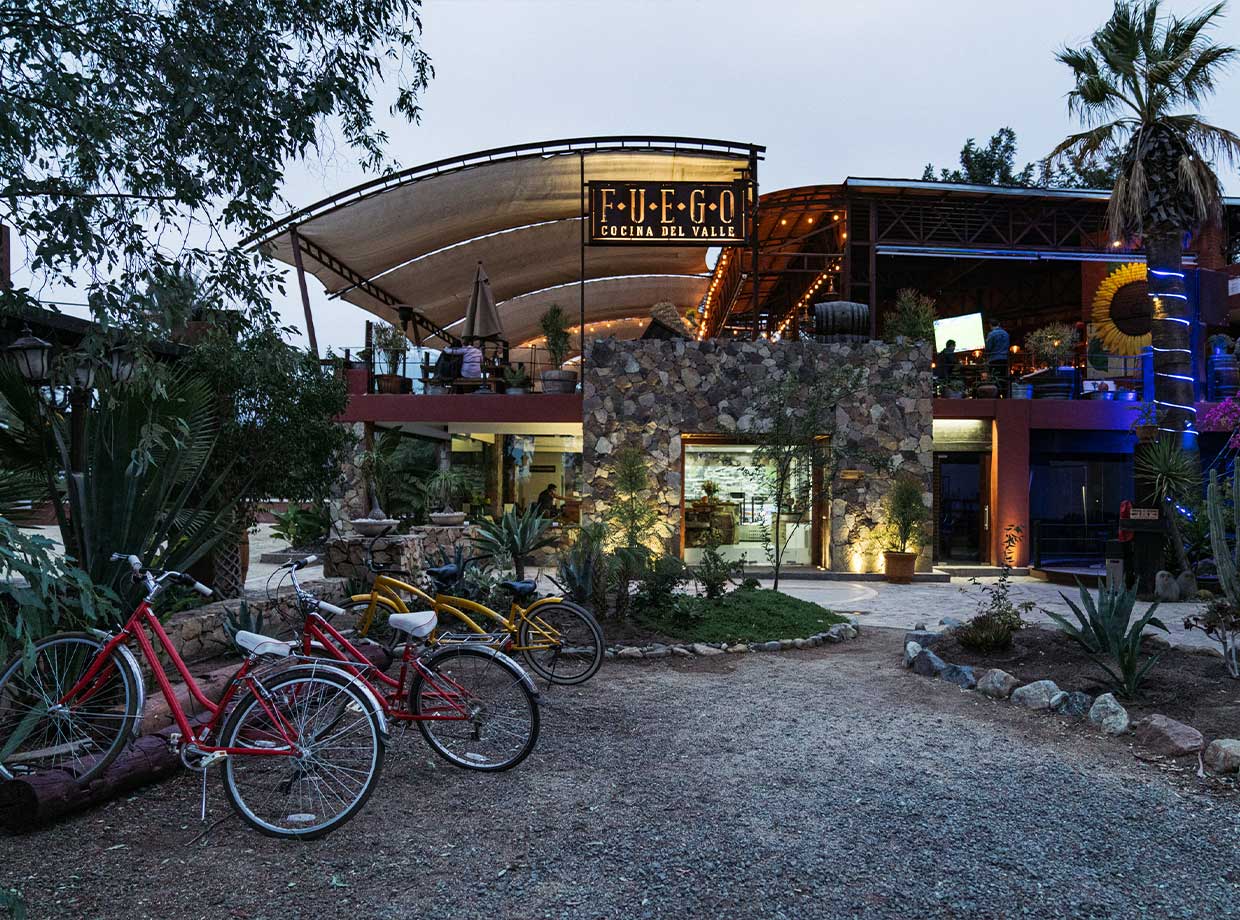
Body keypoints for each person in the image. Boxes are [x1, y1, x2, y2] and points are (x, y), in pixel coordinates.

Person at [985, 319, 1010, 394]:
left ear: (990, 325)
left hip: (994, 359)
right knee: (1003, 378)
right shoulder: (1006, 333)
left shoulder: (991, 334)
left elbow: (988, 348)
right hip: (1004, 359)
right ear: (999, 324)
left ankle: (997, 395)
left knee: (995, 379)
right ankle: (1005, 395)